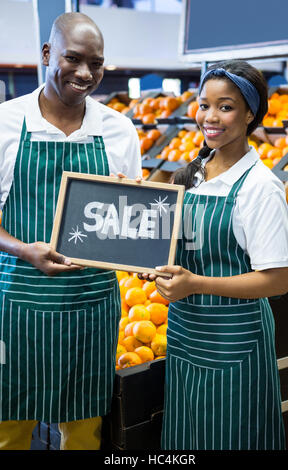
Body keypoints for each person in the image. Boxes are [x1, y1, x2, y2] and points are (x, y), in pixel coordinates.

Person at [0, 12, 141, 450]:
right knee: (9, 426)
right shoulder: (5, 125)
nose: (85, 73)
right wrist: (24, 250)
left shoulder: (119, 131)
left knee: (84, 430)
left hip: (91, 308)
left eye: (96, 64)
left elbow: (132, 224)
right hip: (20, 305)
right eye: (73, 59)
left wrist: (133, 219)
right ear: (47, 54)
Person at [142, 60, 288, 450]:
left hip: (234, 344)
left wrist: (196, 284)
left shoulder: (261, 187)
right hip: (185, 336)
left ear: (249, 114)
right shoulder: (191, 174)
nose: (210, 117)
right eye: (203, 104)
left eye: (225, 107)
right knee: (186, 437)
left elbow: (278, 280)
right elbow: (178, 247)